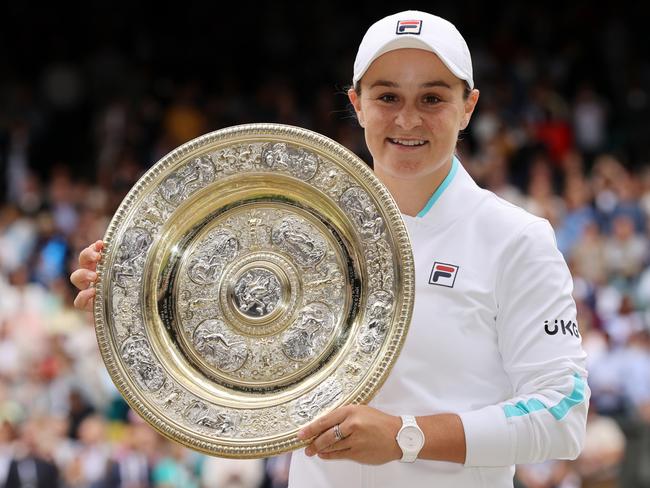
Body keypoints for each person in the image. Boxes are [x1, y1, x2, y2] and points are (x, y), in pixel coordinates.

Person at [71, 10, 589, 487]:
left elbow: (562, 412)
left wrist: (406, 437)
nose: (408, 120)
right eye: (388, 97)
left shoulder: (515, 239)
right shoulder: (297, 223)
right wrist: (134, 299)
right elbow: (237, 342)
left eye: (432, 98)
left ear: (468, 107)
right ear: (357, 103)